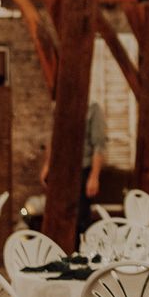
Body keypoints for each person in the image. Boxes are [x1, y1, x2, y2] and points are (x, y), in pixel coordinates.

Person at [40, 101, 107, 241]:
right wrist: (47, 165)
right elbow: (53, 138)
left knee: (80, 218)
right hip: (62, 171)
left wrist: (94, 176)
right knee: (59, 216)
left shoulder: (93, 109)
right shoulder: (59, 106)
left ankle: (81, 253)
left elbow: (99, 145)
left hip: (83, 169)